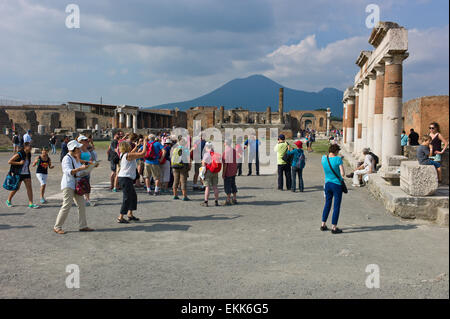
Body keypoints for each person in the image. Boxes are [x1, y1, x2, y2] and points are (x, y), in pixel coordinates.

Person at [53, 140, 94, 234]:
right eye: (78, 148)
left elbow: (79, 173)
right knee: (66, 205)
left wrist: (90, 167)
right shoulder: (66, 158)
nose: (80, 150)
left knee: (82, 204)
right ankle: (57, 226)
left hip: (76, 184)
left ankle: (83, 226)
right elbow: (68, 171)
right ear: (73, 149)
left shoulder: (75, 158)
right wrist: (80, 168)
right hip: (68, 184)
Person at [116, 139, 148, 223]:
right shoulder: (128, 155)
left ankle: (130, 214)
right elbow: (143, 154)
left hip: (126, 178)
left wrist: (137, 147)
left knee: (133, 196)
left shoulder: (124, 154)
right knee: (127, 198)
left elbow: (132, 152)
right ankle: (121, 216)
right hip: (125, 178)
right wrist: (145, 144)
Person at [5, 142, 40, 209]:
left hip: (26, 173)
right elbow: (9, 161)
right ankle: (8, 200)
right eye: (30, 146)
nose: (31, 147)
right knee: (16, 188)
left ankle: (31, 203)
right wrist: (19, 163)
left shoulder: (29, 154)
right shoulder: (19, 154)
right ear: (25, 147)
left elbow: (27, 164)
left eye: (31, 146)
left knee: (29, 188)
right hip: (18, 173)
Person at [321, 144, 345, 234]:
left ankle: (323, 224)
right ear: (336, 151)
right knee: (336, 206)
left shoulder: (323, 158)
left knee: (327, 204)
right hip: (336, 184)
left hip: (327, 183)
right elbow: (342, 173)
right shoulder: (338, 159)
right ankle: (334, 227)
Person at [201, 142, 221, 207]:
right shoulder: (215, 154)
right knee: (215, 186)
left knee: (207, 187)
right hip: (215, 171)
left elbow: (203, 164)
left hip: (208, 171)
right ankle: (216, 201)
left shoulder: (206, 154)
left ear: (206, 147)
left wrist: (202, 173)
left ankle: (206, 201)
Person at [171, 137, 191, 201]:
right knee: (183, 181)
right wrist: (189, 166)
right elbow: (188, 158)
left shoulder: (174, 148)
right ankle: (185, 196)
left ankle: (175, 195)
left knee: (175, 181)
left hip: (175, 166)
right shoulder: (185, 149)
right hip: (183, 166)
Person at [78, 135, 94, 206]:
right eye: (84, 140)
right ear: (80, 141)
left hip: (88, 169)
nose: (86, 141)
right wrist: (87, 162)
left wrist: (92, 162)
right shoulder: (78, 149)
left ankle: (87, 200)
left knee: (87, 184)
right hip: (81, 169)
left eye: (86, 140)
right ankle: (81, 200)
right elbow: (78, 160)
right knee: (81, 184)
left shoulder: (86, 149)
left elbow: (89, 157)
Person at [222, 139, 238, 205]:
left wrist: (223, 173)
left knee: (227, 185)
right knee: (233, 184)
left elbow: (225, 164)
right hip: (233, 170)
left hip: (228, 171)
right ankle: (234, 198)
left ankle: (228, 199)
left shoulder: (226, 152)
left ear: (226, 143)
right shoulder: (234, 150)